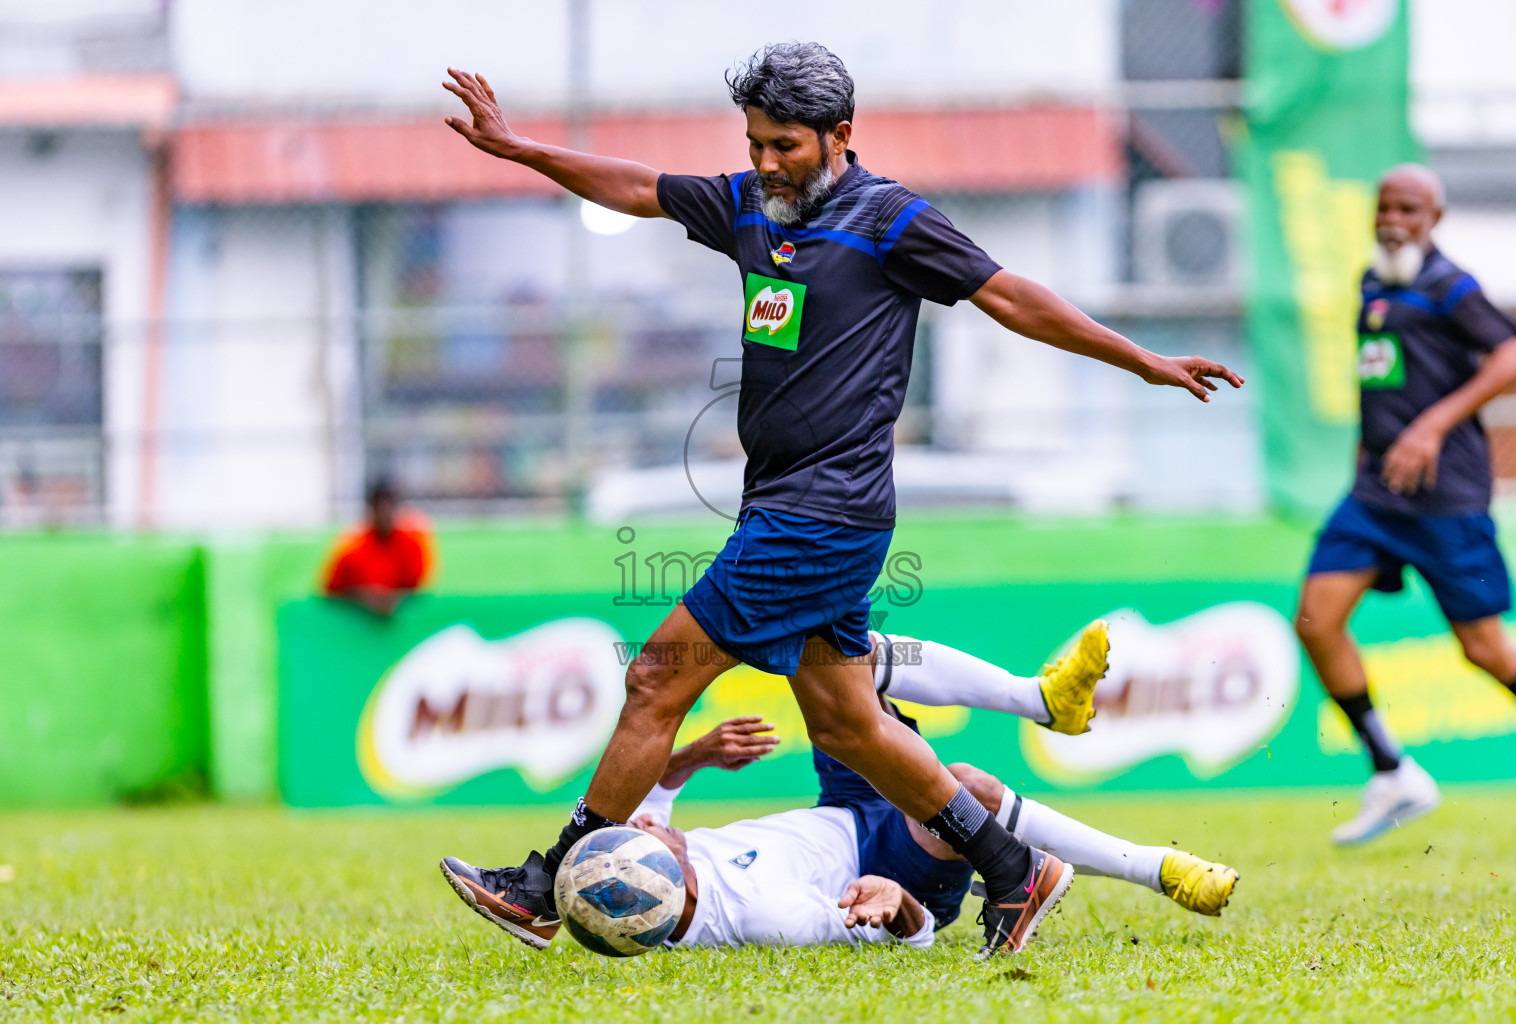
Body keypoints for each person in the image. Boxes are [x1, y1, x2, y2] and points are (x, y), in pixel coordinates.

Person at [436, 43, 1243, 958]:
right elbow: (637, 187)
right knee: (850, 724)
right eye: (754, 143)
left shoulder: (889, 219)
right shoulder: (750, 204)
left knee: (657, 677)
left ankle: (548, 884)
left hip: (819, 515)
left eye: (784, 145)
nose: (765, 162)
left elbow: (1011, 297)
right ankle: (1015, 874)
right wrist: (522, 149)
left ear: (840, 135)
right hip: (796, 509)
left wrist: (1142, 359)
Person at [445, 630, 1238, 952]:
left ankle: (1039, 699)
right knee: (968, 789)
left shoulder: (637, 874)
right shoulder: (765, 916)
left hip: (841, 806)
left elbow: (652, 790)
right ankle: (1155, 867)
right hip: (886, 847)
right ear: (667, 877)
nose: (647, 826)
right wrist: (897, 904)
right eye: (648, 837)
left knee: (825, 656)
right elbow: (907, 933)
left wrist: (695, 753)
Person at [1294, 164, 1516, 846]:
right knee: (1316, 619)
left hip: (1446, 496)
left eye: (1408, 208)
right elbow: (1379, 387)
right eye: (1384, 206)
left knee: (1485, 649)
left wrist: (1431, 426)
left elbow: (1514, 358)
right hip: (1374, 495)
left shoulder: (1450, 286)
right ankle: (1392, 771)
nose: (1392, 218)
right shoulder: (1373, 282)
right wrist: (1363, 461)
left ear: (1434, 218)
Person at [321, 478, 435, 617]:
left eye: (388, 508)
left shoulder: (412, 544)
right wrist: (364, 597)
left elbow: (415, 589)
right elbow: (330, 591)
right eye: (380, 509)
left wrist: (391, 599)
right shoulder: (352, 545)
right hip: (358, 622)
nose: (384, 515)